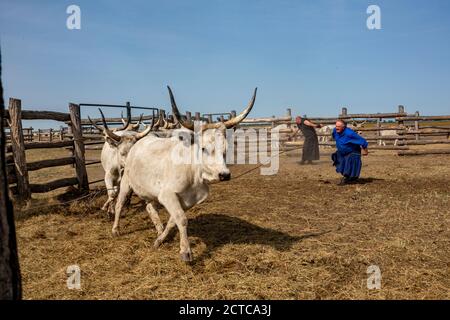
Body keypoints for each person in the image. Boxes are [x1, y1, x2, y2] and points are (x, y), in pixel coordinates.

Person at [331, 119, 369, 185]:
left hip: (353, 151)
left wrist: (365, 151)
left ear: (344, 127)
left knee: (349, 165)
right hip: (342, 152)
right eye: (336, 126)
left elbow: (363, 141)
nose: (336, 128)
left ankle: (349, 178)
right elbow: (334, 136)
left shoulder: (350, 133)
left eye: (338, 126)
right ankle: (349, 178)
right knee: (339, 161)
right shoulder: (335, 130)